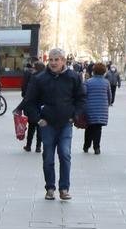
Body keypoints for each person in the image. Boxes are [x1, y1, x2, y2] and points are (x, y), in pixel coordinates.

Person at [22, 47, 85, 200]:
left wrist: (74, 116)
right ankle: (50, 188)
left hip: (65, 124)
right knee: (48, 157)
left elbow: (81, 98)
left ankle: (64, 188)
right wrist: (38, 119)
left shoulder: (73, 77)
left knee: (64, 154)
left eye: (57, 60)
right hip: (47, 124)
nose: (53, 62)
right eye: (51, 59)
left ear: (63, 61)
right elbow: (29, 102)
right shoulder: (40, 78)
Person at [80, 61, 111, 154]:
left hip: (90, 108)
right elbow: (109, 96)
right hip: (102, 109)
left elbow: (83, 94)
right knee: (98, 128)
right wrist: (107, 104)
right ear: (104, 72)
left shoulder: (88, 82)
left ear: (93, 71)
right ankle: (96, 147)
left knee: (89, 127)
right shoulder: (106, 82)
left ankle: (86, 146)